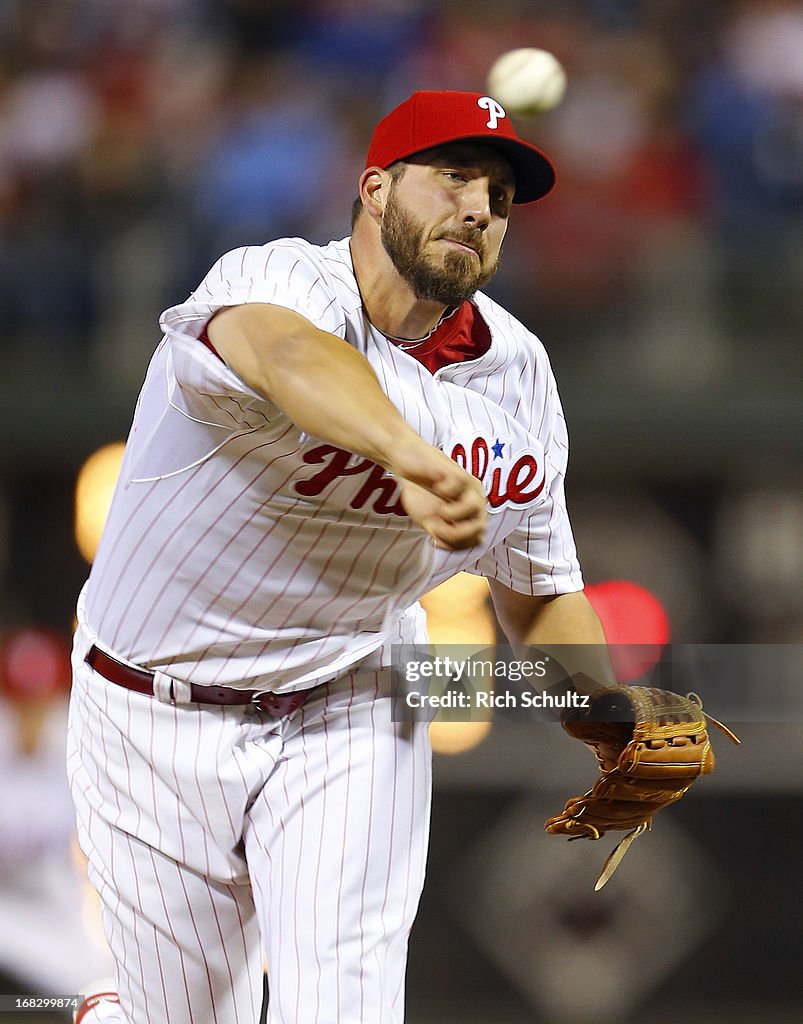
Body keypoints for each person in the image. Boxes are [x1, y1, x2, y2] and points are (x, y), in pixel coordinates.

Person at [68, 90, 612, 1024]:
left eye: (498, 197)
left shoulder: (518, 376)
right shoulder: (277, 280)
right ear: (373, 189)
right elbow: (282, 354)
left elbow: (539, 590)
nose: (478, 208)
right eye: (452, 177)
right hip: (150, 708)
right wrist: (402, 452)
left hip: (352, 698)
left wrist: (611, 719)